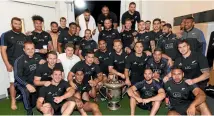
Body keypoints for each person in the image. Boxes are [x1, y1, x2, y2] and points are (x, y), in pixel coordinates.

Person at [0, 17, 28, 110]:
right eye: (15, 23)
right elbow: (3, 50)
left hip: (23, 64)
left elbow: (27, 50)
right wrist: (7, 64)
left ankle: (24, 98)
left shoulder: (24, 36)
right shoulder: (5, 35)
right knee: (13, 83)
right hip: (12, 64)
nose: (17, 25)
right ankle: (13, 100)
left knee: (24, 82)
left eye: (19, 24)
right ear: (11, 24)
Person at [14, 41, 46, 115]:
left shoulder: (38, 57)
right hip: (22, 83)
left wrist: (45, 62)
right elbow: (17, 76)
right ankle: (29, 110)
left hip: (35, 81)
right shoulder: (19, 60)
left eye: (32, 48)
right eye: (28, 49)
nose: (30, 51)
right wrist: (27, 85)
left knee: (34, 104)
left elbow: (44, 68)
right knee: (26, 91)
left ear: (35, 49)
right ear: (24, 49)